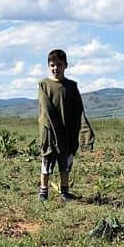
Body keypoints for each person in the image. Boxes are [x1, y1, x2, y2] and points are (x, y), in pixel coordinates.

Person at [37, 48, 94, 201]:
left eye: (59, 65)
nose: (56, 68)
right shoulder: (43, 85)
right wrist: (55, 130)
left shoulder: (72, 86)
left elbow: (79, 110)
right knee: (47, 162)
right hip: (49, 133)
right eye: (52, 65)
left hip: (68, 133)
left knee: (65, 164)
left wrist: (86, 133)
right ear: (49, 66)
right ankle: (43, 191)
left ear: (66, 65)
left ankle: (65, 191)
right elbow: (46, 110)